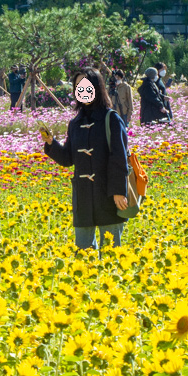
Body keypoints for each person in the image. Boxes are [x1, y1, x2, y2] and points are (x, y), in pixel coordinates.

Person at [42, 68, 131, 251]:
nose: (82, 91)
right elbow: (68, 159)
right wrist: (51, 144)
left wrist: (118, 192)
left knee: (111, 253)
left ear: (97, 88)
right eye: (78, 87)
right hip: (83, 197)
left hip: (109, 195)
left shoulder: (111, 119)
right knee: (83, 253)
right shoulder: (75, 123)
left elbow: (119, 158)